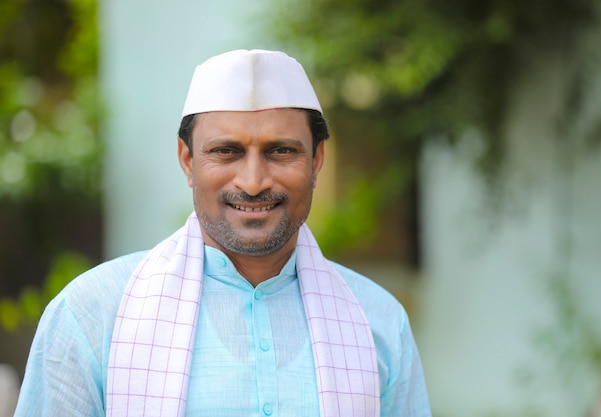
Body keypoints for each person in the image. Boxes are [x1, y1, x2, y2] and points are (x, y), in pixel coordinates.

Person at [14, 49, 431, 417]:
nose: (253, 181)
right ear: (187, 160)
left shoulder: (378, 321)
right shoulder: (90, 316)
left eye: (280, 151)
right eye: (226, 152)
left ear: (317, 160)